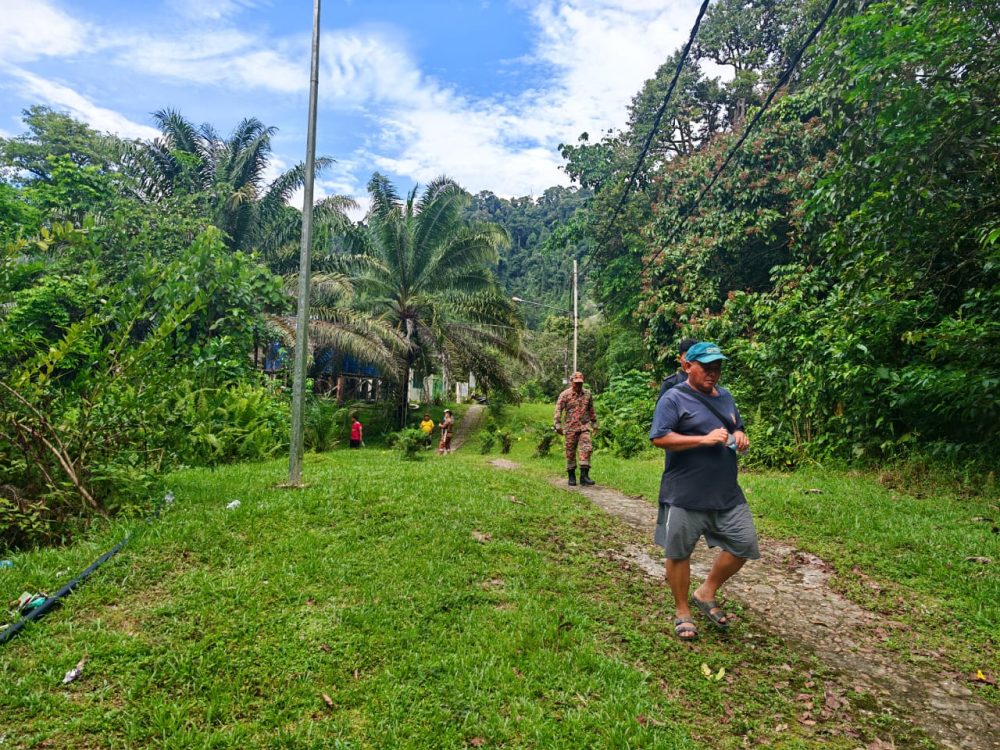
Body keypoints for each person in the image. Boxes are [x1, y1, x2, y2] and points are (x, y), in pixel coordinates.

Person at [649, 341, 757, 641]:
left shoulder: (726, 397)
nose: (713, 373)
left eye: (717, 368)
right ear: (687, 366)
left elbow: (737, 426)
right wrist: (701, 440)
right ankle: (682, 611)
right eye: (706, 368)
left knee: (744, 543)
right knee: (679, 551)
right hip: (685, 492)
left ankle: (706, 591)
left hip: (726, 491)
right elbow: (659, 438)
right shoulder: (673, 398)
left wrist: (739, 435)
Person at [553, 371, 598, 486]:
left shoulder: (587, 394)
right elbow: (558, 410)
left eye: (580, 383)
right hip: (570, 428)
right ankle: (571, 476)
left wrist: (594, 423)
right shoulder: (565, 395)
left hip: (584, 427)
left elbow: (591, 409)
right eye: (576, 383)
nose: (578, 385)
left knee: (587, 448)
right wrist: (557, 425)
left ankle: (584, 476)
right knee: (570, 452)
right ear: (571, 382)